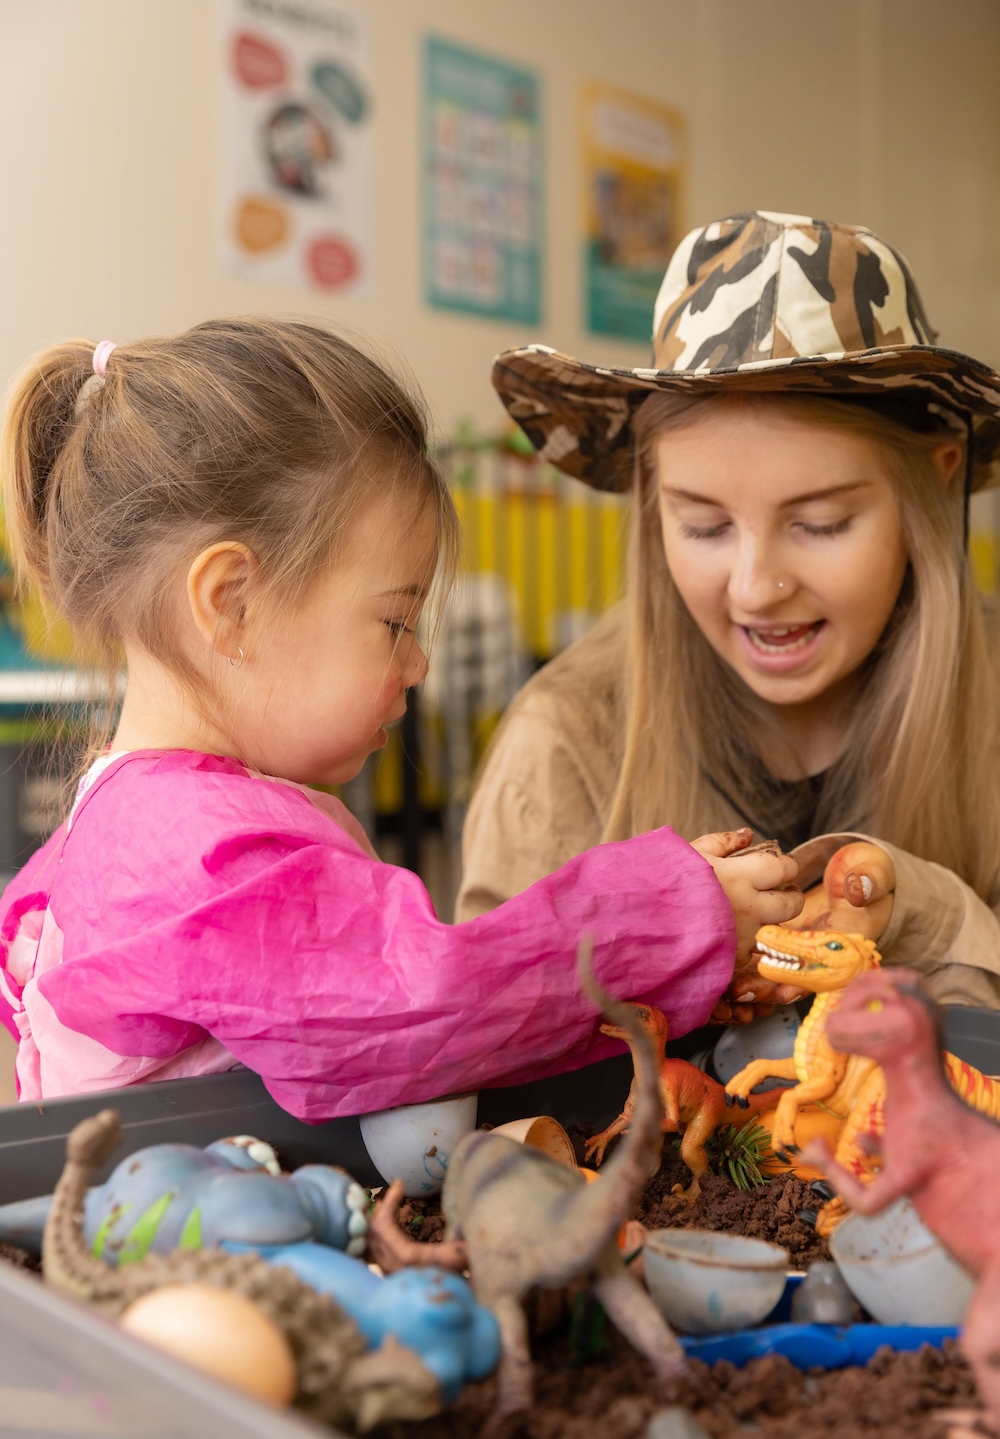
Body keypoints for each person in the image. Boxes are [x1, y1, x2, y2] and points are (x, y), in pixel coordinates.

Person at [0, 319, 797, 1116]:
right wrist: (675, 918)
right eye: (395, 622)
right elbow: (431, 1005)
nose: (418, 662)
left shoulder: (135, 814)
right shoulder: (199, 852)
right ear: (232, 604)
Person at [457, 210, 1000, 1018]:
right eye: (704, 525)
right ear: (651, 502)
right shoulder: (564, 744)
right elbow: (487, 1051)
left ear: (934, 482)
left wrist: (927, 913)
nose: (754, 587)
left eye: (821, 523)